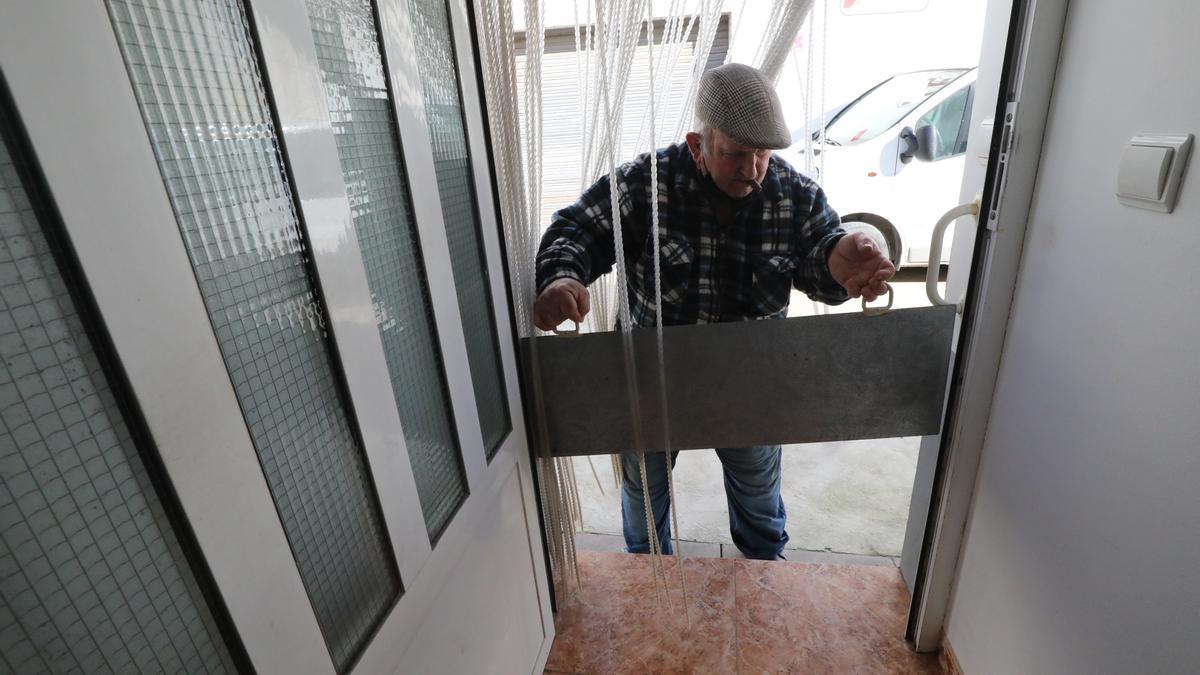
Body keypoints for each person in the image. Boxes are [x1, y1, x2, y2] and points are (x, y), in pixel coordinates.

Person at [532, 63, 895, 560]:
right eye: (735, 154)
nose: (752, 170)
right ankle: (647, 579)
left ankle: (765, 579)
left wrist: (836, 263)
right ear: (698, 145)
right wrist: (562, 278)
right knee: (643, 496)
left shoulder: (794, 193)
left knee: (760, 504)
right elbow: (577, 230)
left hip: (752, 383)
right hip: (650, 378)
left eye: (763, 154)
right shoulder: (645, 184)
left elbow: (820, 256)